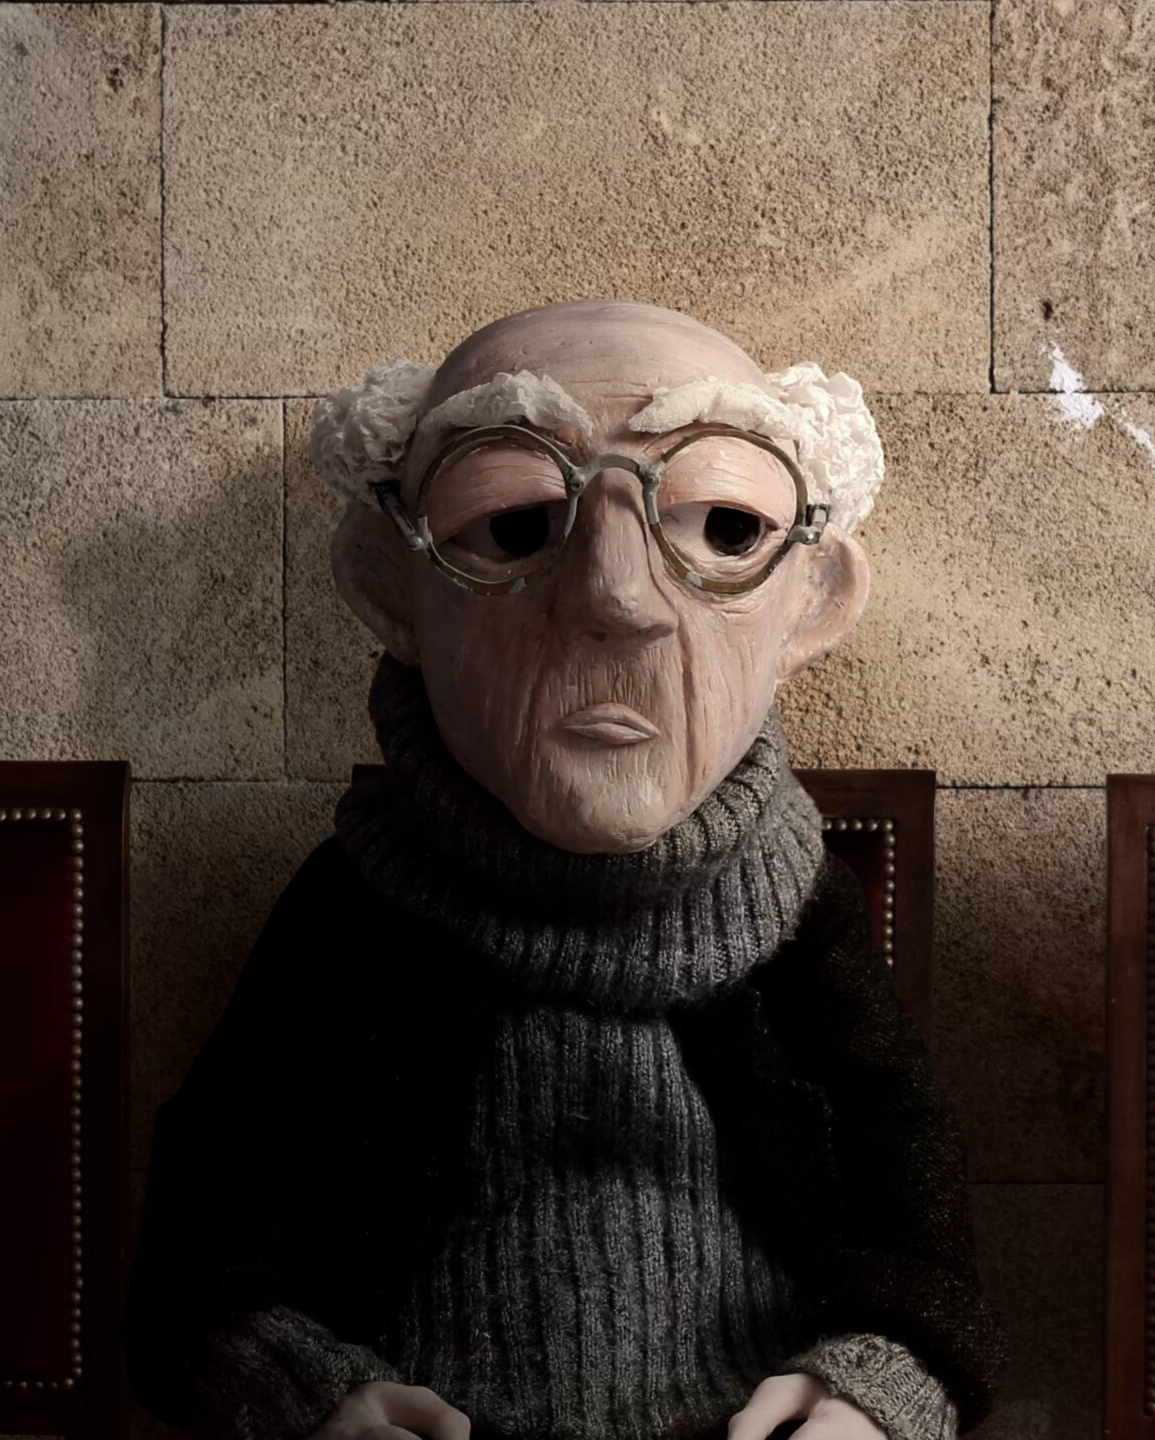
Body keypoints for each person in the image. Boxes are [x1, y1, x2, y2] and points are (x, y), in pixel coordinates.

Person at [125, 300, 1006, 1440]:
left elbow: (911, 1199)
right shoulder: (360, 907)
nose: (615, 597)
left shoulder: (800, 915)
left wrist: (878, 1387)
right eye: (514, 523)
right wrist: (300, 1386)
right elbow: (215, 1216)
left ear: (812, 602)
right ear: (390, 588)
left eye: (724, 527)